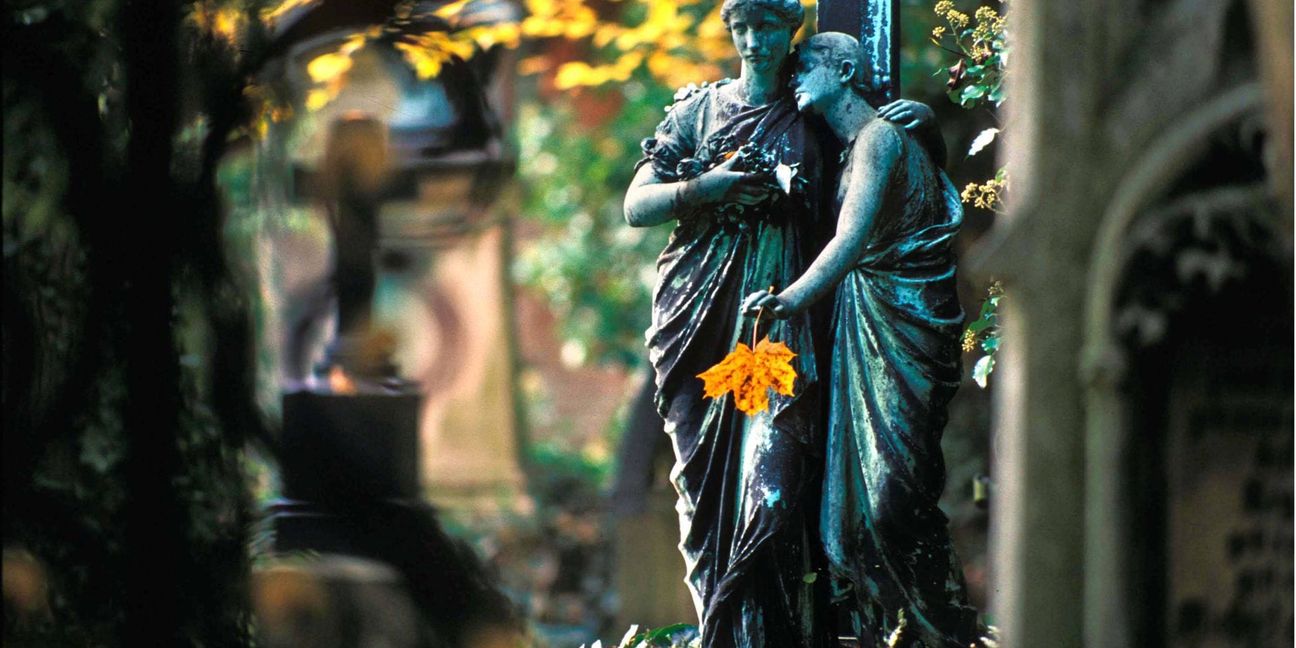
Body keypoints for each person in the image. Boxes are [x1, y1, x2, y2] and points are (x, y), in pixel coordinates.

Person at [625, 1, 942, 644]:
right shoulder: (697, 110)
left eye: (768, 27)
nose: (754, 41)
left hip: (780, 321)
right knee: (704, 498)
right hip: (699, 317)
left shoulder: (810, 103)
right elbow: (637, 206)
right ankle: (728, 633)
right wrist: (704, 187)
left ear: (789, 32)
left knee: (770, 495)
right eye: (742, 27)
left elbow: (872, 148)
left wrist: (925, 124)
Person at [742, 32, 981, 647]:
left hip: (902, 327)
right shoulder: (859, 147)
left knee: (890, 504)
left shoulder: (877, 140)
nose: (792, 76)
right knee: (845, 524)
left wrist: (788, 298)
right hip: (866, 322)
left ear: (844, 69)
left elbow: (849, 242)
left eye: (806, 66)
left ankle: (943, 633)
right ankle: (893, 634)